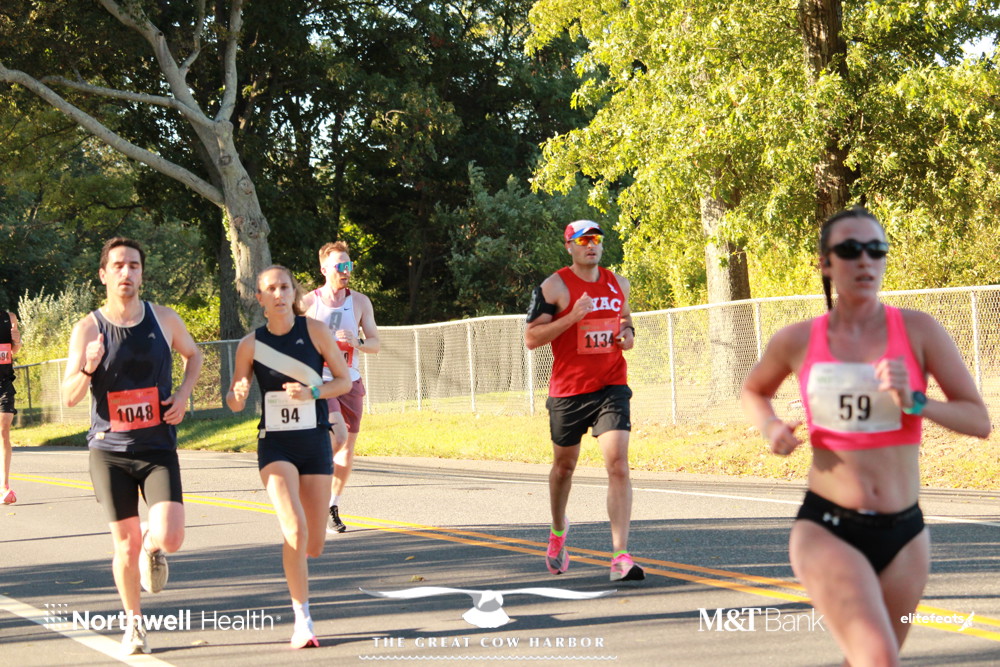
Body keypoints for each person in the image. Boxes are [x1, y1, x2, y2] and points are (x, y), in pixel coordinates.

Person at [741, 206, 991, 664]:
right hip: (828, 527)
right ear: (825, 263)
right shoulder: (798, 339)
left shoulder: (919, 330)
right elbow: (754, 390)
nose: (864, 260)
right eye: (850, 249)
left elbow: (978, 421)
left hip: (906, 535)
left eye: (876, 250)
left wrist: (916, 401)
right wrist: (771, 426)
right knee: (878, 658)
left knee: (868, 659)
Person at [62, 237, 203, 656]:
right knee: (124, 545)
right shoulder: (88, 328)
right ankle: (134, 625)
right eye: (118, 266)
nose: (127, 273)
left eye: (134, 266)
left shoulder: (164, 318)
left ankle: (152, 545)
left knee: (171, 537)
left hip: (157, 447)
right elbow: (69, 397)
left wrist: (183, 396)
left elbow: (194, 356)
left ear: (142, 273)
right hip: (109, 451)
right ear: (103, 275)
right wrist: (89, 366)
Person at [227, 265, 352, 649]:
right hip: (275, 445)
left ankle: (303, 604)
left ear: (293, 292)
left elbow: (343, 381)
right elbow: (234, 401)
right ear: (259, 298)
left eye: (284, 287)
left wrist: (312, 393)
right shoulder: (250, 345)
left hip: (314, 441)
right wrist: (238, 393)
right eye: (270, 289)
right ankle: (303, 620)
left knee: (314, 545)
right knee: (294, 529)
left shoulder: (315, 332)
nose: (279, 294)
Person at [524, 220, 644, 582]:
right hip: (569, 391)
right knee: (564, 467)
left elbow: (625, 319)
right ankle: (558, 530)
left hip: (611, 385)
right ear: (569, 247)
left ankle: (620, 557)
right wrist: (573, 316)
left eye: (596, 239)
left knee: (618, 464)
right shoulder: (554, 286)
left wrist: (627, 334)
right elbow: (531, 338)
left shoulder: (618, 283)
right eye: (582, 240)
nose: (591, 245)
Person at [300, 242, 380, 534]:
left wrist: (357, 342)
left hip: (350, 380)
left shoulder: (359, 302)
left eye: (349, 266)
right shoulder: (308, 303)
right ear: (324, 270)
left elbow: (375, 343)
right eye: (340, 266)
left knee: (346, 450)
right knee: (338, 435)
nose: (346, 271)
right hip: (321, 380)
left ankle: (331, 506)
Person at [1, 309, 22, 504]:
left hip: (4, 383)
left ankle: (4, 486)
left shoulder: (9, 318)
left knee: (4, 431)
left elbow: (13, 350)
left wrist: (17, 341)